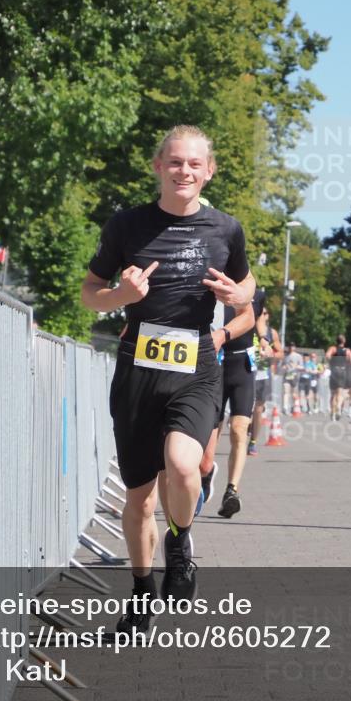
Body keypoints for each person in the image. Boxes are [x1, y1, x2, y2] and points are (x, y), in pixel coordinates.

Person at [80, 125, 255, 637]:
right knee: (137, 498)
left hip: (197, 365)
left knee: (183, 465)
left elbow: (247, 285)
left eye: (195, 164)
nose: (185, 172)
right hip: (138, 365)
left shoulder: (227, 229)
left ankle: (180, 539)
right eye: (175, 162)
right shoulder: (128, 225)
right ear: (158, 166)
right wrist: (119, 296)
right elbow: (90, 292)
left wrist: (237, 296)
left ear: (209, 170)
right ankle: (140, 597)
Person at [196, 290, 263, 519]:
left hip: (242, 367)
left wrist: (264, 340)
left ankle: (231, 491)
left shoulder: (257, 295)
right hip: (217, 365)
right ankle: (206, 472)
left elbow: (258, 323)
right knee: (208, 439)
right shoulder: (213, 295)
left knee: (239, 429)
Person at [248, 305, 282, 456]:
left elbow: (280, 353)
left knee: (259, 410)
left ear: (267, 316)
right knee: (246, 409)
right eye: (260, 312)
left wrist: (270, 355)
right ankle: (246, 427)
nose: (262, 315)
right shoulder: (247, 326)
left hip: (263, 374)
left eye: (265, 313)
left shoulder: (271, 333)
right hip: (246, 372)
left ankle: (253, 442)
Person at [325, 335, 351, 421]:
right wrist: (346, 362)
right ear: (344, 341)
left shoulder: (333, 348)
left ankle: (332, 412)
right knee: (340, 393)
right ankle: (338, 406)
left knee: (332, 394)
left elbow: (327, 356)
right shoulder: (347, 350)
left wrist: (331, 361)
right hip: (342, 371)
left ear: (336, 341)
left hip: (334, 371)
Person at [282, 343, 303, 413]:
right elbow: (282, 366)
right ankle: (285, 407)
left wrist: (296, 366)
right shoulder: (285, 356)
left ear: (295, 348)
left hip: (294, 375)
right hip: (287, 375)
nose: (291, 348)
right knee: (286, 391)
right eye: (290, 346)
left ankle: (294, 406)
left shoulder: (298, 356)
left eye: (292, 346)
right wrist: (284, 367)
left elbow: (302, 367)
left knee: (294, 393)